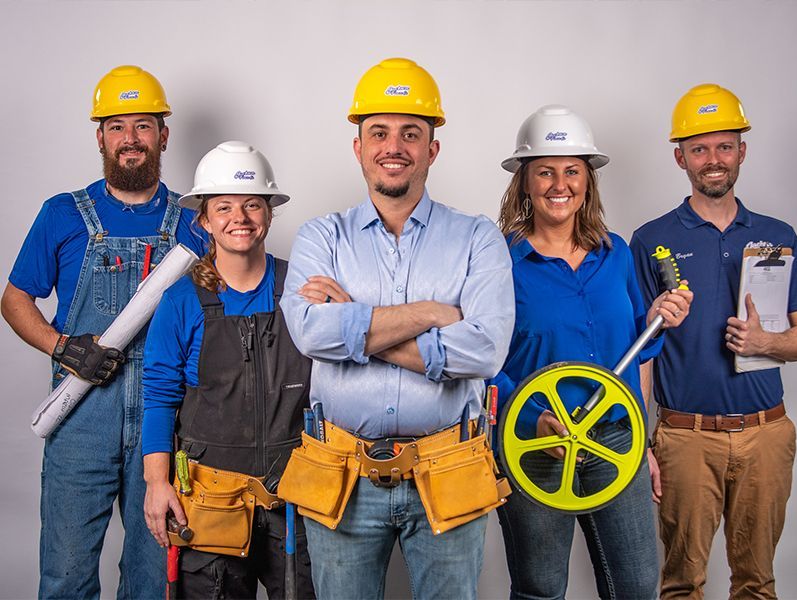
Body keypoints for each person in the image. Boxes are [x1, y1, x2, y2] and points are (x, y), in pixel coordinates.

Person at [278, 57, 514, 600]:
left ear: (432, 149)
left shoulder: (478, 237)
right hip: (339, 469)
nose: (394, 146)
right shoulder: (322, 237)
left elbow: (486, 349)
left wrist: (356, 328)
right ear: (358, 147)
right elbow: (311, 335)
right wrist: (433, 313)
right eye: (378, 132)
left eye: (412, 133)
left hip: (450, 465)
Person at [0, 65, 206, 598]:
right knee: (66, 576)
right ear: (100, 137)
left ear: (164, 135)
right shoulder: (63, 214)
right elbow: (15, 299)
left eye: (143, 126)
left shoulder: (195, 222)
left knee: (153, 577)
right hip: (81, 414)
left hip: (165, 421)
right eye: (117, 127)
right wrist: (64, 346)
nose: (130, 140)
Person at [491, 105, 693, 600]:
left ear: (587, 181)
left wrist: (643, 441)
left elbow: (635, 349)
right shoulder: (498, 261)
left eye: (572, 171)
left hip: (614, 441)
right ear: (525, 183)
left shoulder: (617, 252)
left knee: (638, 587)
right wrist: (531, 418)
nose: (560, 184)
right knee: (541, 589)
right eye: (545, 171)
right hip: (535, 445)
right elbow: (481, 362)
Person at [631, 83, 797, 599]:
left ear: (742, 152)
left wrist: (768, 344)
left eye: (724, 146)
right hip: (684, 438)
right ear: (679, 156)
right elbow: (639, 350)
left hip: (766, 434)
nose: (713, 159)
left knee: (757, 584)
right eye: (699, 148)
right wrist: (642, 443)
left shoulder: (779, 236)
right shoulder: (650, 239)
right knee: (682, 584)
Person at [141, 141, 315, 599]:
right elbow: (159, 398)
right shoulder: (180, 302)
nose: (240, 217)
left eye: (252, 204)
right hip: (209, 500)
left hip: (296, 496)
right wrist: (157, 483)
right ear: (204, 219)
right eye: (224, 207)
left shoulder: (301, 290)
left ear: (269, 214)